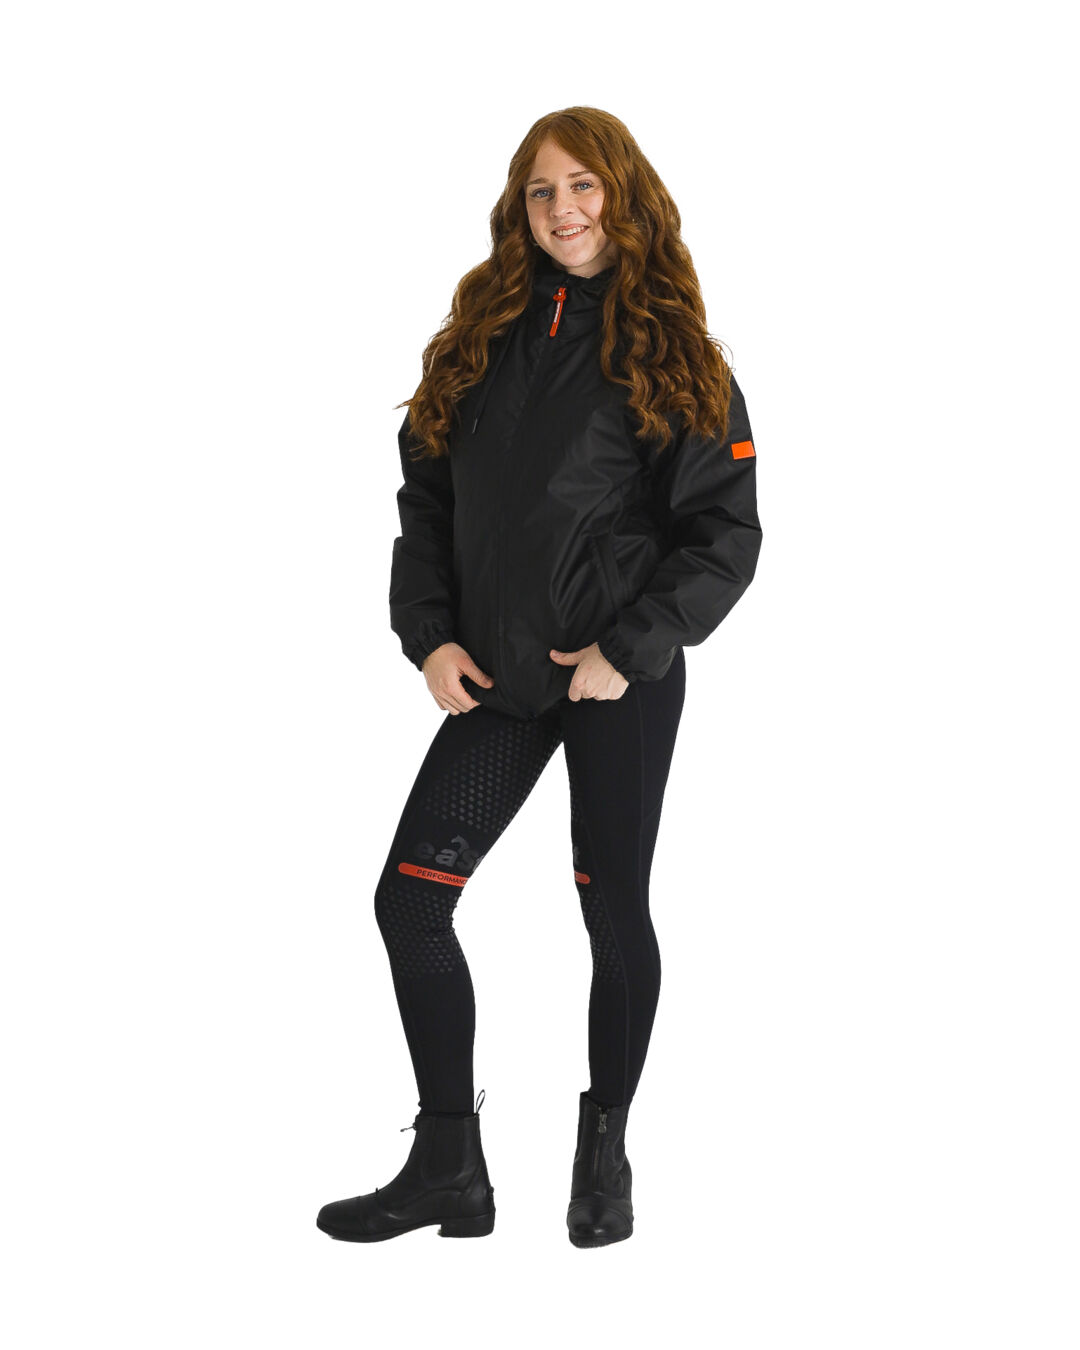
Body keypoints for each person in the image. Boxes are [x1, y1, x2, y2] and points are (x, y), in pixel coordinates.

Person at [317, 106, 763, 1248]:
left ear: (624, 194)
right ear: (518, 209)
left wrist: (630, 647)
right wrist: (429, 634)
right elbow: (426, 500)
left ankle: (604, 1149)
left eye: (584, 185)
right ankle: (449, 1168)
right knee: (411, 901)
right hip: (500, 684)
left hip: (616, 679)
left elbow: (725, 536)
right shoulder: (482, 337)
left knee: (611, 912)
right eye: (541, 191)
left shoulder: (678, 355)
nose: (563, 209)